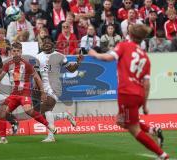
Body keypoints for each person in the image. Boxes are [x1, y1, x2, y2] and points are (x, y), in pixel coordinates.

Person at [88, 24, 169, 160]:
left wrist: (94, 53)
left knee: (133, 128)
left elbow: (108, 58)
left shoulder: (124, 46)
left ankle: (162, 155)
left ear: (130, 35)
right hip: (138, 94)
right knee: (120, 121)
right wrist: (145, 104)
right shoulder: (145, 57)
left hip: (126, 93)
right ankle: (152, 130)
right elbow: (147, 84)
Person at [0, 42, 56, 145]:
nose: (16, 53)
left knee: (28, 111)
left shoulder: (26, 64)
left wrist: (42, 93)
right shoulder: (7, 65)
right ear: (11, 52)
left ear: (21, 52)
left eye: (18, 51)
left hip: (24, 94)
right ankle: (3, 139)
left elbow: (37, 77)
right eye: (14, 51)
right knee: (2, 112)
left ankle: (49, 125)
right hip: (13, 95)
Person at [35, 36, 83, 142]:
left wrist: (78, 63)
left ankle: (51, 137)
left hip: (54, 87)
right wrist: (37, 89)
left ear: (52, 44)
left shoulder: (60, 56)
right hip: (43, 88)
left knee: (46, 110)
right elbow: (36, 75)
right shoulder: (38, 57)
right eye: (44, 42)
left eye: (48, 42)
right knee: (44, 114)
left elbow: (71, 69)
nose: (46, 44)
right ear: (41, 45)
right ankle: (65, 115)